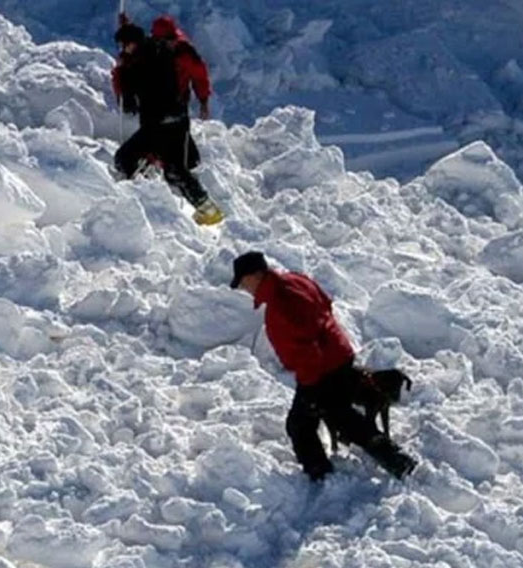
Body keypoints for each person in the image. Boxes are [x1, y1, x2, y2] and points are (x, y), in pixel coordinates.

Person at [230, 251, 418, 482]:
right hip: (338, 354)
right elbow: (325, 304)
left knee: (302, 424)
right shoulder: (295, 279)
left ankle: (321, 475)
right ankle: (392, 450)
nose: (244, 288)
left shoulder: (280, 304)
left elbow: (306, 345)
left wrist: (310, 388)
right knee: (341, 415)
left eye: (243, 282)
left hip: (320, 369)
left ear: (256, 275)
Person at [111, 13, 222, 225]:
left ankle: (129, 210)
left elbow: (125, 95)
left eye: (125, 46)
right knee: (175, 169)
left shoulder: (141, 63)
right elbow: (143, 44)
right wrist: (127, 29)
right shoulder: (165, 51)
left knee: (125, 159)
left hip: (157, 124)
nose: (123, 49)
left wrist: (121, 70)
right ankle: (208, 210)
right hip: (178, 118)